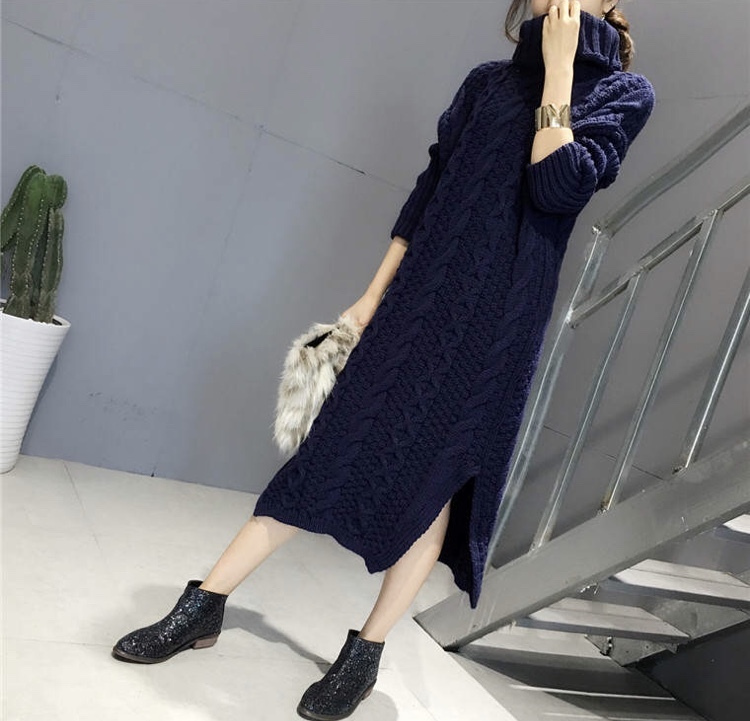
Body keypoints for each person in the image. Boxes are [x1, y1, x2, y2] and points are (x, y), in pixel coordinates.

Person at [111, 1, 655, 719]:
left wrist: (559, 67)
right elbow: (429, 195)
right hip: (418, 301)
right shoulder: (488, 84)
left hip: (497, 329)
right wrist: (372, 297)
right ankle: (205, 602)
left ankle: (365, 652)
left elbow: (558, 187)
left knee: (437, 484)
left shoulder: (622, 93)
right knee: (328, 452)